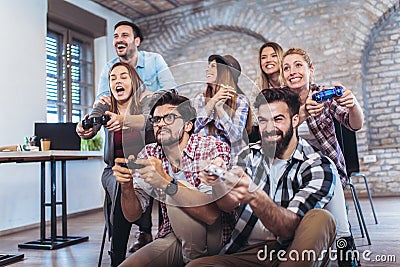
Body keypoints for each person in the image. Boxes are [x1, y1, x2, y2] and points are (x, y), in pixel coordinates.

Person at [187, 87, 337, 266]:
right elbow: (227, 205)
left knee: (322, 218)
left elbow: (288, 230)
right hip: (248, 252)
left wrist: (254, 195)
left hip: (291, 251)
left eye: (278, 119)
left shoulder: (317, 164)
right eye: (263, 121)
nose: (269, 128)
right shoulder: (248, 155)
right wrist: (218, 183)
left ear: (295, 120)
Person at [112, 90, 235, 266]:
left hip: (218, 238)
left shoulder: (212, 147)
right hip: (176, 235)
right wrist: (126, 186)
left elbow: (212, 216)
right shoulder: (149, 153)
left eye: (169, 118)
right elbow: (132, 215)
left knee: (176, 191)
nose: (161, 124)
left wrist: (166, 182)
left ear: (187, 126)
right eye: (156, 119)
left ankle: (195, 263)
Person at [97, 20, 178, 253]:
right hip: (123, 151)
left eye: (124, 35)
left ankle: (164, 235)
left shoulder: (154, 61)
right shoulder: (110, 68)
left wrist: (152, 97)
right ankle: (134, 239)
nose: (119, 40)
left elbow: (171, 92)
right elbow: (101, 100)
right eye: (115, 36)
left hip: (151, 137)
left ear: (137, 41)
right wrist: (88, 123)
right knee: (123, 182)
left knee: (158, 176)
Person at [282, 48, 364, 267]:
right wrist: (303, 114)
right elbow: (276, 138)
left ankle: (344, 249)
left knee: (327, 170)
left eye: (298, 65)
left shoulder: (325, 95)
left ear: (311, 69)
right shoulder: (281, 101)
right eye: (287, 68)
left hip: (328, 171)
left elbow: (355, 124)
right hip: (292, 173)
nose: (292, 71)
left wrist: (353, 103)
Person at [76, 62, 153, 266]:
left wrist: (124, 119)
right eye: (113, 78)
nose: (117, 81)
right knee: (121, 181)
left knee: (128, 181)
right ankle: (117, 258)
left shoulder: (145, 102)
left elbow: (151, 121)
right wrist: (84, 129)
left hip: (144, 168)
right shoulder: (105, 103)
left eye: (123, 76)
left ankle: (145, 232)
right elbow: (92, 121)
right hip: (114, 170)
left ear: (134, 81)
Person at [192, 54, 253, 156]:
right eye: (208, 66)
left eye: (213, 66)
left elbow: (235, 137)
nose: (207, 70)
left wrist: (220, 109)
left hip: (234, 161)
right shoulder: (201, 99)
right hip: (208, 160)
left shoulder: (241, 101)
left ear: (224, 72)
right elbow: (193, 129)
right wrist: (213, 101)